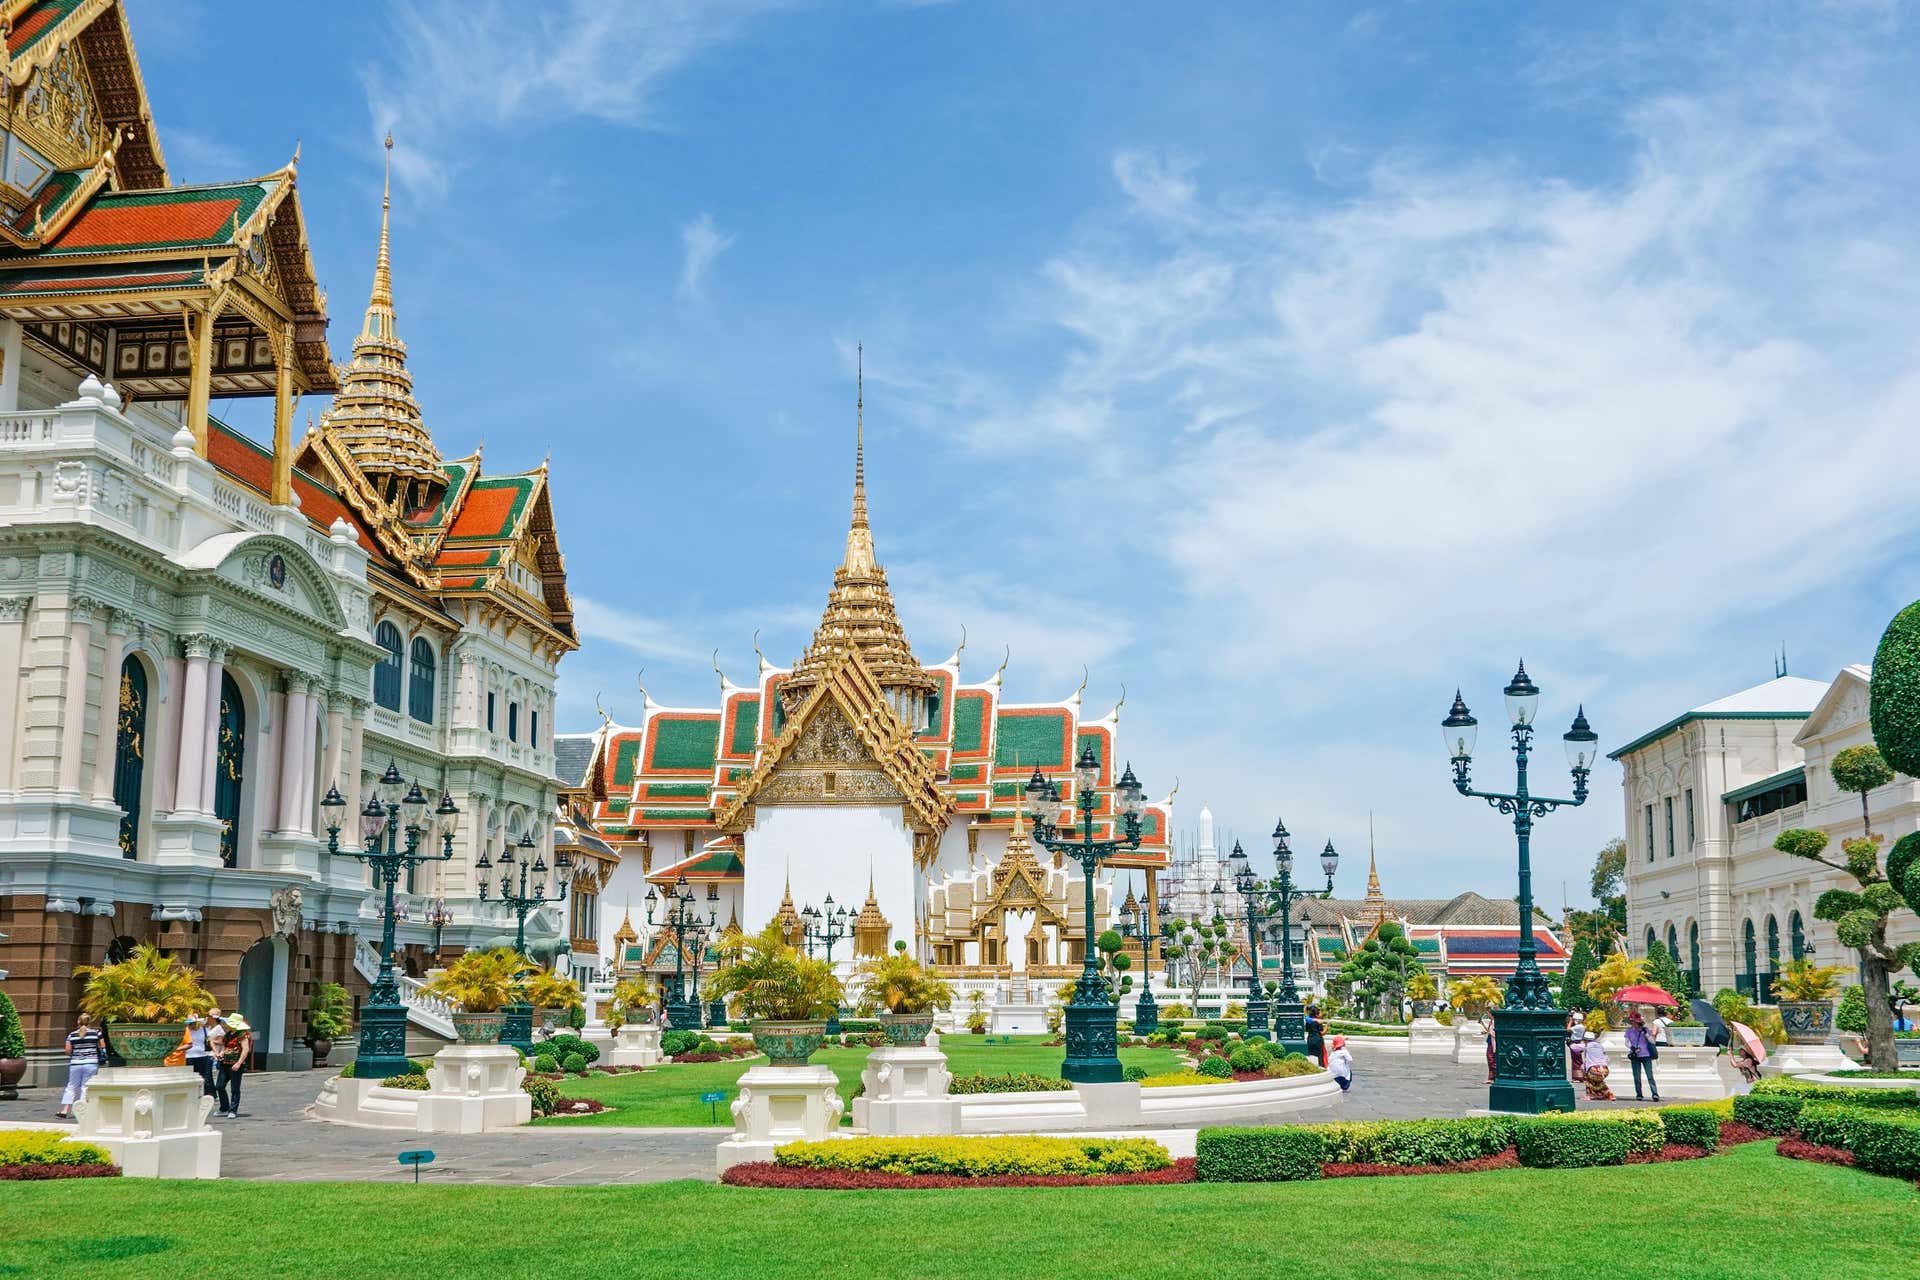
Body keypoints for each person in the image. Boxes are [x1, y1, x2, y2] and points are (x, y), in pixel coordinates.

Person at [56, 1012, 107, 1119]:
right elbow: (103, 1047)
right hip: (91, 1063)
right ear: (90, 1022)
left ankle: (65, 1110)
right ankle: (82, 1110)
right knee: (85, 1087)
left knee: (71, 1086)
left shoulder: (72, 1035)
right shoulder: (96, 1033)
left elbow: (68, 1051)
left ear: (78, 1022)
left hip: (75, 1063)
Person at [215, 1014, 253, 1119]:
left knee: (235, 1088)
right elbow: (224, 1047)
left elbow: (245, 1049)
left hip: (235, 1064)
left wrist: (239, 1063)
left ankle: (233, 1110)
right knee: (219, 1086)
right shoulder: (228, 1034)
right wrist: (221, 1053)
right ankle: (224, 1107)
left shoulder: (243, 1035)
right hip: (225, 1063)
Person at [1624, 1011, 1661, 1101]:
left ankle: (1655, 1094)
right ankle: (1639, 1094)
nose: (1634, 1024)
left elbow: (1652, 1042)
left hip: (1646, 1055)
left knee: (1650, 1076)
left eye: (1636, 1022)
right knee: (1637, 1077)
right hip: (1635, 1055)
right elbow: (1626, 1042)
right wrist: (1632, 1048)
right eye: (1633, 1022)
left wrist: (1646, 1034)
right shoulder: (1629, 1031)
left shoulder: (1645, 1030)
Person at [183, 1013, 216, 1098]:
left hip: (201, 1055)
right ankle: (193, 1093)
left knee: (204, 1076)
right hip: (189, 1055)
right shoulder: (185, 1031)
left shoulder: (203, 1029)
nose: (193, 1024)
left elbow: (210, 1040)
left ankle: (207, 1094)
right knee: (191, 1076)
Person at [1582, 1030, 1614, 1100]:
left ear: (1585, 1040)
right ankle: (1607, 1093)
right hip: (1604, 1069)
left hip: (1593, 1069)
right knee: (1599, 1081)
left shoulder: (1586, 1046)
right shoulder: (1600, 1046)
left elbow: (1574, 1047)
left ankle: (1589, 1095)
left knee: (1588, 1080)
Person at [1567, 1012, 1586, 1081]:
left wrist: (1570, 1021)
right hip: (1579, 1042)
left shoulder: (1578, 1027)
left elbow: (1568, 1029)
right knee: (1578, 1060)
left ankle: (1578, 1077)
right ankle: (1581, 1076)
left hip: (1575, 1043)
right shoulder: (1582, 1026)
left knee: (1575, 1061)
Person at [1483, 1015, 1497, 1084]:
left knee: (1491, 1058)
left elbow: (1494, 1032)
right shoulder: (1491, 1021)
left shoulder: (1495, 1022)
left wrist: (1490, 1032)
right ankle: (1491, 1076)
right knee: (1490, 1058)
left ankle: (1493, 1076)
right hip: (1490, 1041)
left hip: (1493, 1042)